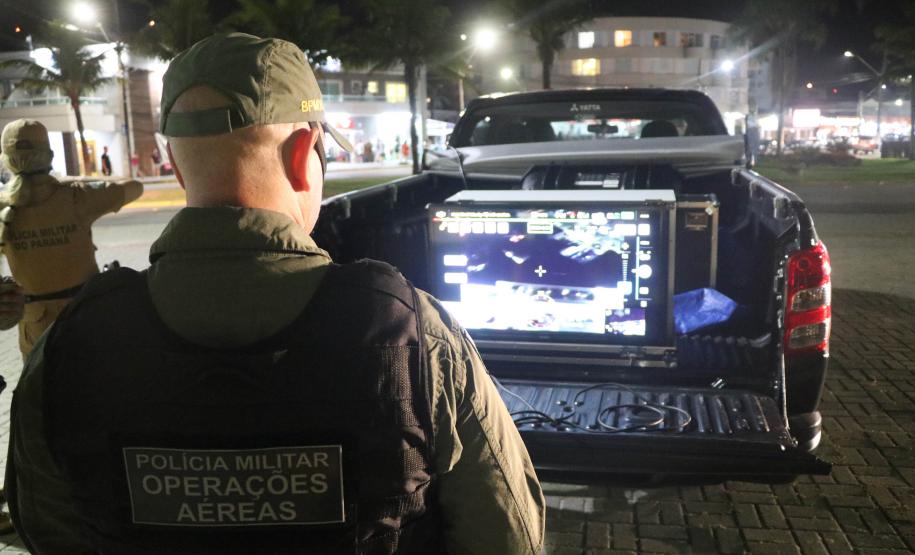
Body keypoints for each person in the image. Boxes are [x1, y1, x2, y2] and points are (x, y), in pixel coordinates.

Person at [7, 33, 544, 555]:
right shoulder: (414, 335)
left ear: (174, 161)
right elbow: (508, 535)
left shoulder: (69, 348)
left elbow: (49, 531)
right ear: (303, 151)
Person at [0, 119, 144, 357]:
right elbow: (135, 187)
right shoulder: (76, 197)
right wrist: (74, 181)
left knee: (42, 390)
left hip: (35, 329)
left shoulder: (5, 205)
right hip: (86, 319)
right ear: (49, 155)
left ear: (6, 160)